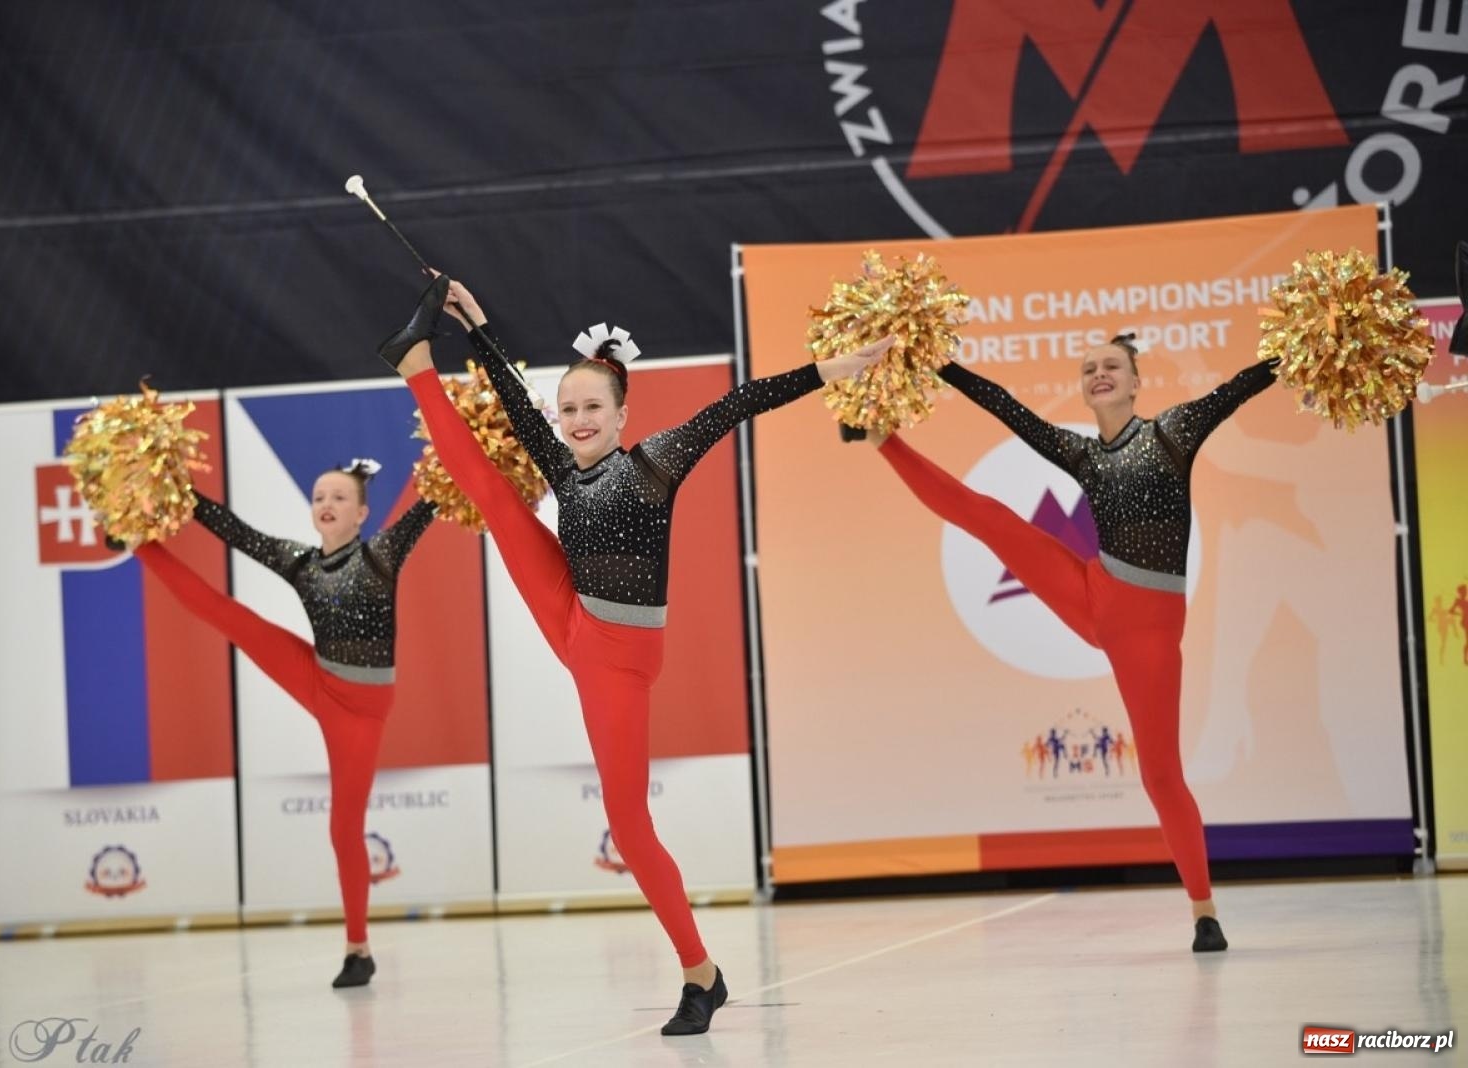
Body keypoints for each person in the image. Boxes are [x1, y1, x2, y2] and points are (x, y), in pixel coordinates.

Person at [377, 271, 889, 1033]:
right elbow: (517, 405)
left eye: (592, 409)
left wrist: (830, 371)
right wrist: (478, 325)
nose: (578, 420)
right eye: (570, 409)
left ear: (623, 414)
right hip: (574, 615)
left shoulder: (656, 462)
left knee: (628, 822)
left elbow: (736, 405)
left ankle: (701, 974)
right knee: (491, 492)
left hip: (618, 656)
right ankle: (415, 364)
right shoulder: (561, 466)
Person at [855, 332, 1280, 952]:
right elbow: (1004, 406)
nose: (1099, 374)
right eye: (1089, 369)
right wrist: (934, 360)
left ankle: (1203, 912)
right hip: (1093, 592)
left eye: (1112, 366)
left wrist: (1309, 344)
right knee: (990, 518)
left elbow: (1242, 385)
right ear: (1083, 390)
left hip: (1149, 629)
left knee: (1161, 775)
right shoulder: (1081, 454)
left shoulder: (1174, 433)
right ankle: (882, 440)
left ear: (1136, 383)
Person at [124, 459, 434, 987]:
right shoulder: (301, 563)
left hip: (361, 706)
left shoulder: (382, 553)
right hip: (318, 677)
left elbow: (432, 502)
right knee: (230, 616)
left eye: (339, 498)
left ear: (362, 513)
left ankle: (358, 949)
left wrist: (474, 448)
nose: (326, 505)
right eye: (318, 497)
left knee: (343, 828)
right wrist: (179, 490)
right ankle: (136, 542)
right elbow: (237, 532)